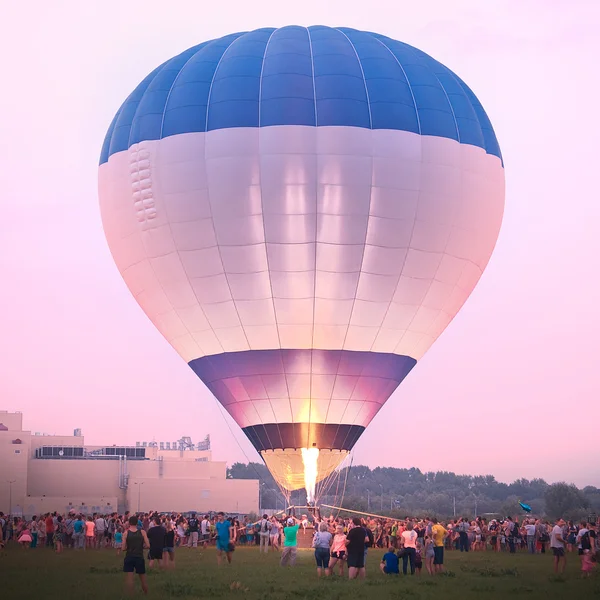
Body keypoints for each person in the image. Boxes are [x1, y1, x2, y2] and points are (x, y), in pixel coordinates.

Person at [122, 515, 150, 596]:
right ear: (137, 523)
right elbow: (148, 545)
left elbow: (123, 548)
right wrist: (141, 547)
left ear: (129, 523)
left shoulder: (126, 533)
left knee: (130, 578)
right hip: (139, 557)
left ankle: (131, 595)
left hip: (129, 556)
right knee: (143, 578)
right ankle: (146, 594)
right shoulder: (142, 532)